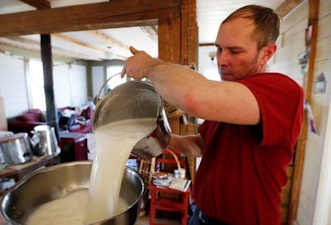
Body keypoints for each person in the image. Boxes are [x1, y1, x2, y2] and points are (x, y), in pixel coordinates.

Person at [121, 4, 304, 225]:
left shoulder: (283, 91)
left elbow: (193, 97)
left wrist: (150, 65)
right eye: (219, 49)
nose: (221, 60)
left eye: (234, 51)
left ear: (267, 52)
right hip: (200, 215)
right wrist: (157, 138)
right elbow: (201, 145)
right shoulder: (231, 94)